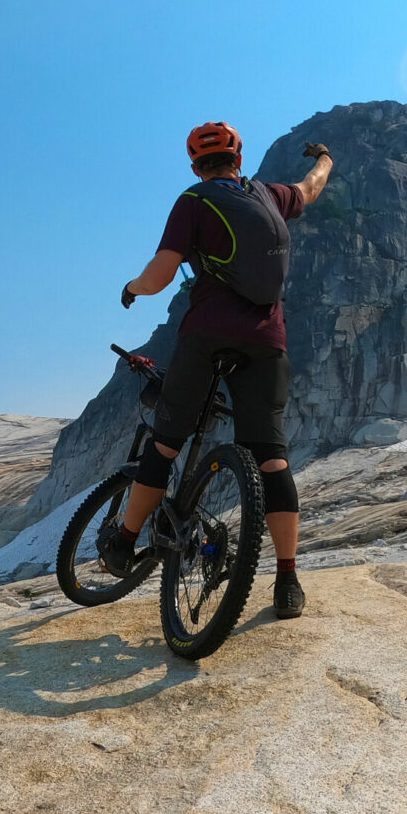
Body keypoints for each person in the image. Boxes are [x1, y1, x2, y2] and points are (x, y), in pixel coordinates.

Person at [97, 121, 333, 619]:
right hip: (267, 340)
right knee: (271, 457)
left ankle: (123, 541)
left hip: (207, 334)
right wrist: (326, 159)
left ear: (194, 165)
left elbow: (162, 274)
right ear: (238, 159)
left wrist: (132, 288)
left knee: (165, 442)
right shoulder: (268, 195)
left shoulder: (193, 201)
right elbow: (310, 189)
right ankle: (287, 581)